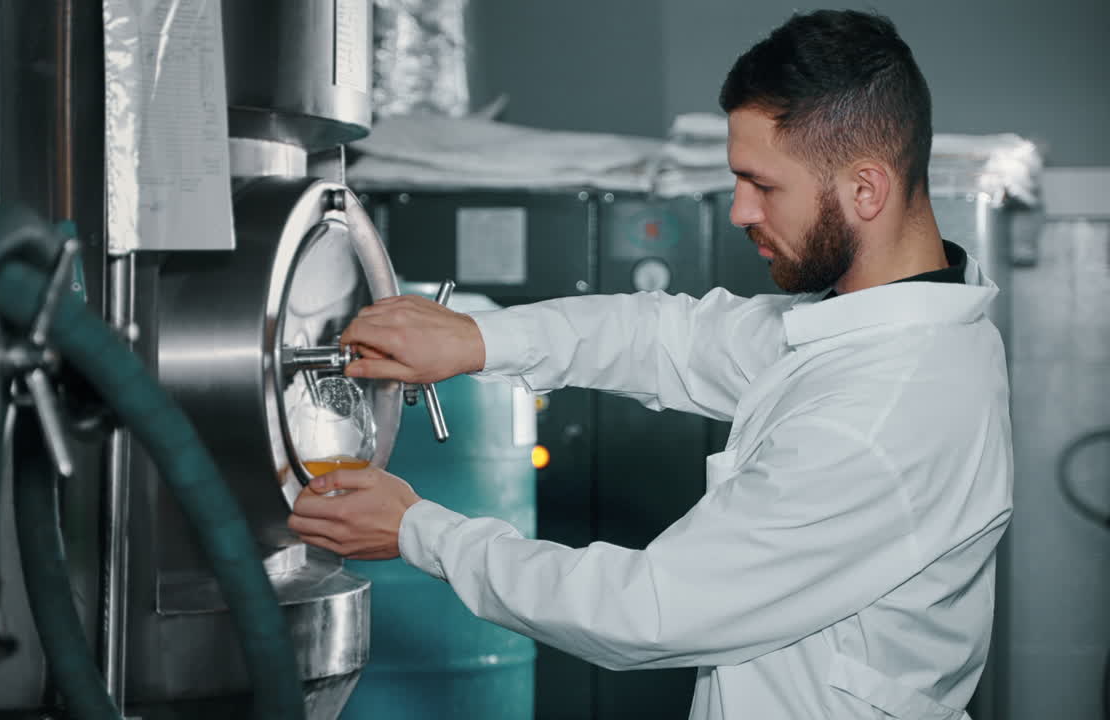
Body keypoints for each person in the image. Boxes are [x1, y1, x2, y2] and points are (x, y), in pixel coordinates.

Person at [289, 9, 1012, 719]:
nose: (739, 211)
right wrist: (479, 339)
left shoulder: (884, 414)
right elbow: (667, 336)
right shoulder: (896, 323)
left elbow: (647, 613)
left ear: (865, 189)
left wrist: (423, 531)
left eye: (763, 184)